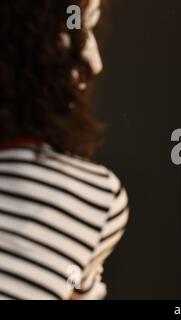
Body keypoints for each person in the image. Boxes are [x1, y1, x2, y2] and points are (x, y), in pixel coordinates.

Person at [0, 0, 129, 299]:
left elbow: (73, 281)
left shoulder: (94, 200)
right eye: (78, 29)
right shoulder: (93, 195)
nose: (94, 62)